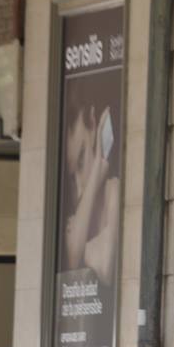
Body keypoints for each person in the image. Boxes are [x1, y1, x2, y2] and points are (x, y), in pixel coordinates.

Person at [63, 103, 121, 285]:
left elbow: (105, 269)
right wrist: (96, 169)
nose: (80, 187)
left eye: (81, 159)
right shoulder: (70, 223)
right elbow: (72, 259)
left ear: (93, 123)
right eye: (71, 179)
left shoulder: (114, 190)